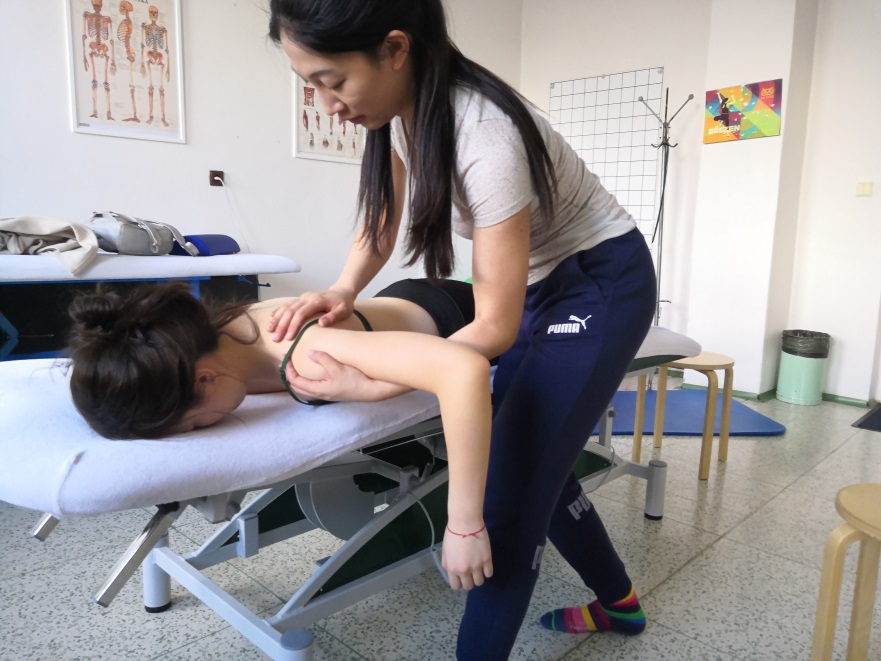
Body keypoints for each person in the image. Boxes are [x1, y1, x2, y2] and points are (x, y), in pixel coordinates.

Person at [266, 1, 657, 658]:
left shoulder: (484, 133)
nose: (327, 105)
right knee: (538, 461)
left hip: (598, 281)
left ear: (395, 49)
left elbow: (492, 328)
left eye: (332, 81)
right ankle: (620, 604)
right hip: (536, 285)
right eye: (311, 85)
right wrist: (342, 288)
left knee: (505, 501)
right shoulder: (397, 112)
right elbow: (381, 217)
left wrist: (377, 384)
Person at [65, 277, 493, 592]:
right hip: (402, 302)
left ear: (204, 378)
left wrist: (464, 525)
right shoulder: (204, 340)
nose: (202, 429)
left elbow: (463, 370)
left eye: (193, 424)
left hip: (457, 313)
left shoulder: (305, 353)